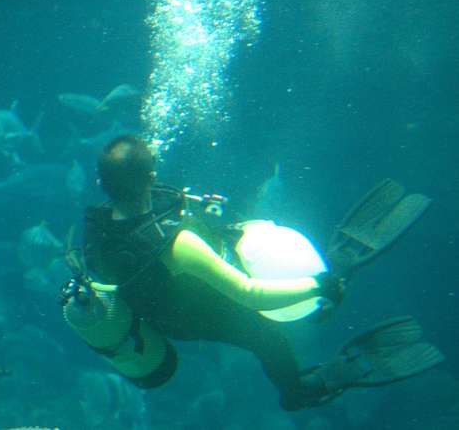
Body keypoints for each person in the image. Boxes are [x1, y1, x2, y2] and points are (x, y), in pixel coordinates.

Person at [61, 135, 443, 410]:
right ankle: (295, 392)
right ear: (149, 177)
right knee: (267, 338)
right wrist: (318, 285)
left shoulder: (96, 227)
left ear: (101, 183)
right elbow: (249, 293)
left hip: (156, 310)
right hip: (191, 315)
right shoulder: (178, 245)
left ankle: (315, 302)